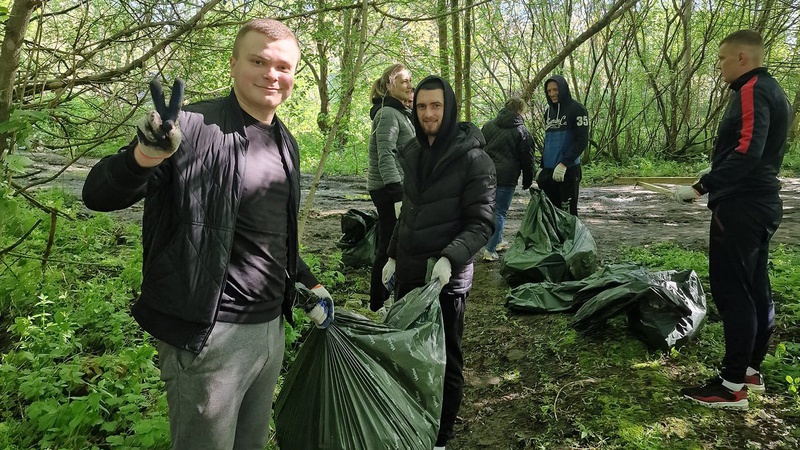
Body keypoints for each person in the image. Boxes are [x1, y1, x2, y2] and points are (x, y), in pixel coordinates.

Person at [82, 18, 334, 449]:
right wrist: (144, 155)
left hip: (271, 331)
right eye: (258, 61)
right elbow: (98, 194)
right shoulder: (191, 126)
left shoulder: (285, 142)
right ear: (233, 64)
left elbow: (266, 234)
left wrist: (309, 282)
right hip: (210, 335)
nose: (271, 74)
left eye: (283, 67)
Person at [673, 29, 791, 409]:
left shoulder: (752, 89)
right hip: (757, 203)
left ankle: (731, 386)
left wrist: (702, 186)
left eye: (723, 58)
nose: (719, 65)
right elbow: (745, 150)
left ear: (743, 57)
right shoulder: (772, 89)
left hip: (741, 207)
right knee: (756, 286)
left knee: (733, 291)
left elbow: (747, 152)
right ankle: (750, 371)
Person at [381, 75, 496, 449]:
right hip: (411, 276)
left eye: (436, 106)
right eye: (422, 107)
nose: (429, 114)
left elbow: (481, 223)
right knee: (408, 354)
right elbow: (409, 213)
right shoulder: (414, 151)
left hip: (445, 282)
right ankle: (413, 423)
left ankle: (440, 439)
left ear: (449, 109)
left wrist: (450, 258)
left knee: (445, 361)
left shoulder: (474, 158)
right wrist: (393, 255)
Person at [366, 64, 415, 312]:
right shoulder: (386, 114)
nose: (409, 85)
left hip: (398, 188)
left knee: (395, 244)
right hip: (388, 191)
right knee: (388, 246)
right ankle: (377, 304)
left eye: (410, 81)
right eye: (404, 81)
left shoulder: (400, 113)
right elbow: (386, 155)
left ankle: (387, 297)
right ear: (389, 85)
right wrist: (396, 194)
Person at [480, 96, 535, 261]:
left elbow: (479, 149)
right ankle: (489, 250)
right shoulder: (521, 131)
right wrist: (528, 179)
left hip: (486, 175)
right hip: (507, 176)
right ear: (519, 111)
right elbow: (527, 158)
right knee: (500, 212)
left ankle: (496, 242)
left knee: (490, 211)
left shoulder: (488, 126)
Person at [536, 75, 588, 215]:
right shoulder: (548, 112)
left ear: (563, 89)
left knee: (567, 214)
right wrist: (542, 166)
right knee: (550, 214)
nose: (552, 94)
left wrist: (564, 163)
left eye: (555, 90)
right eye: (549, 91)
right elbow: (548, 142)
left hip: (568, 170)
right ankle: (553, 238)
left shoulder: (577, 109)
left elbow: (582, 140)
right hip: (549, 171)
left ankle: (570, 238)